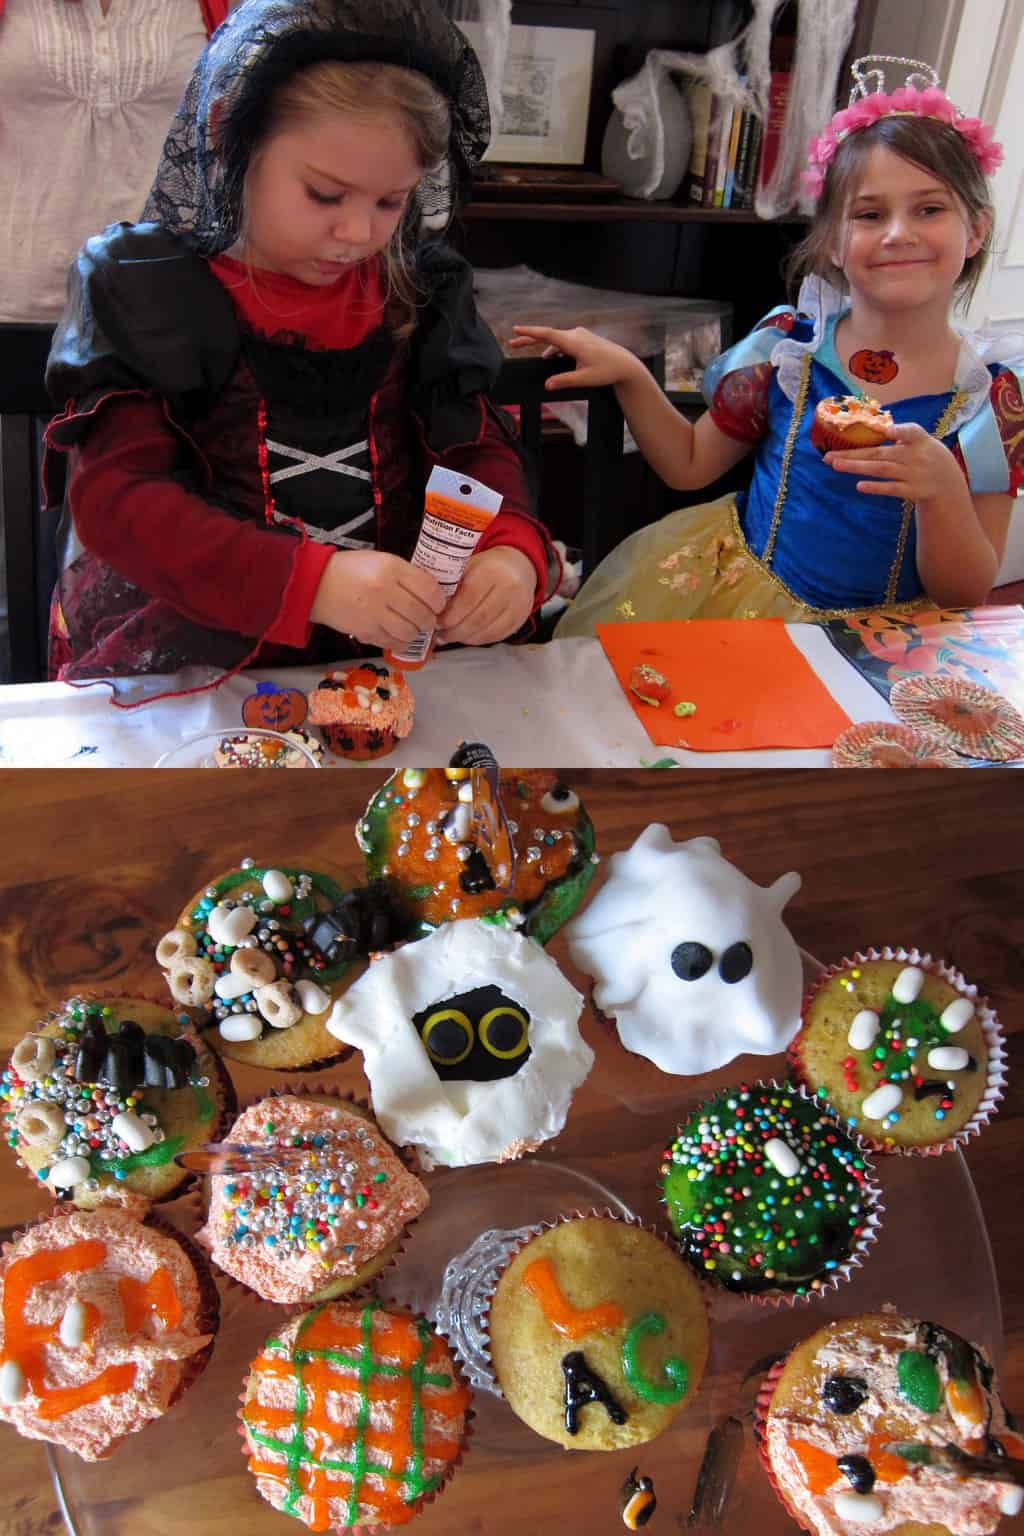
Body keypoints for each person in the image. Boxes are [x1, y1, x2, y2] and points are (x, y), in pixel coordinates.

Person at [43, 0, 556, 697]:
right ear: (228, 135)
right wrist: (313, 583)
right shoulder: (149, 290)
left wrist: (510, 551)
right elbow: (118, 501)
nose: (358, 233)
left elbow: (475, 451)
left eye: (390, 202)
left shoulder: (418, 292)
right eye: (325, 195)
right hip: (196, 658)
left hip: (380, 658)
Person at [512, 60, 1024, 635]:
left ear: (976, 230)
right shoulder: (789, 351)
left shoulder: (991, 401)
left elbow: (964, 593)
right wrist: (631, 372)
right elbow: (688, 465)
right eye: (870, 214)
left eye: (929, 209)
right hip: (745, 614)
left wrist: (942, 492)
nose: (898, 233)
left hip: (884, 644)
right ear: (832, 242)